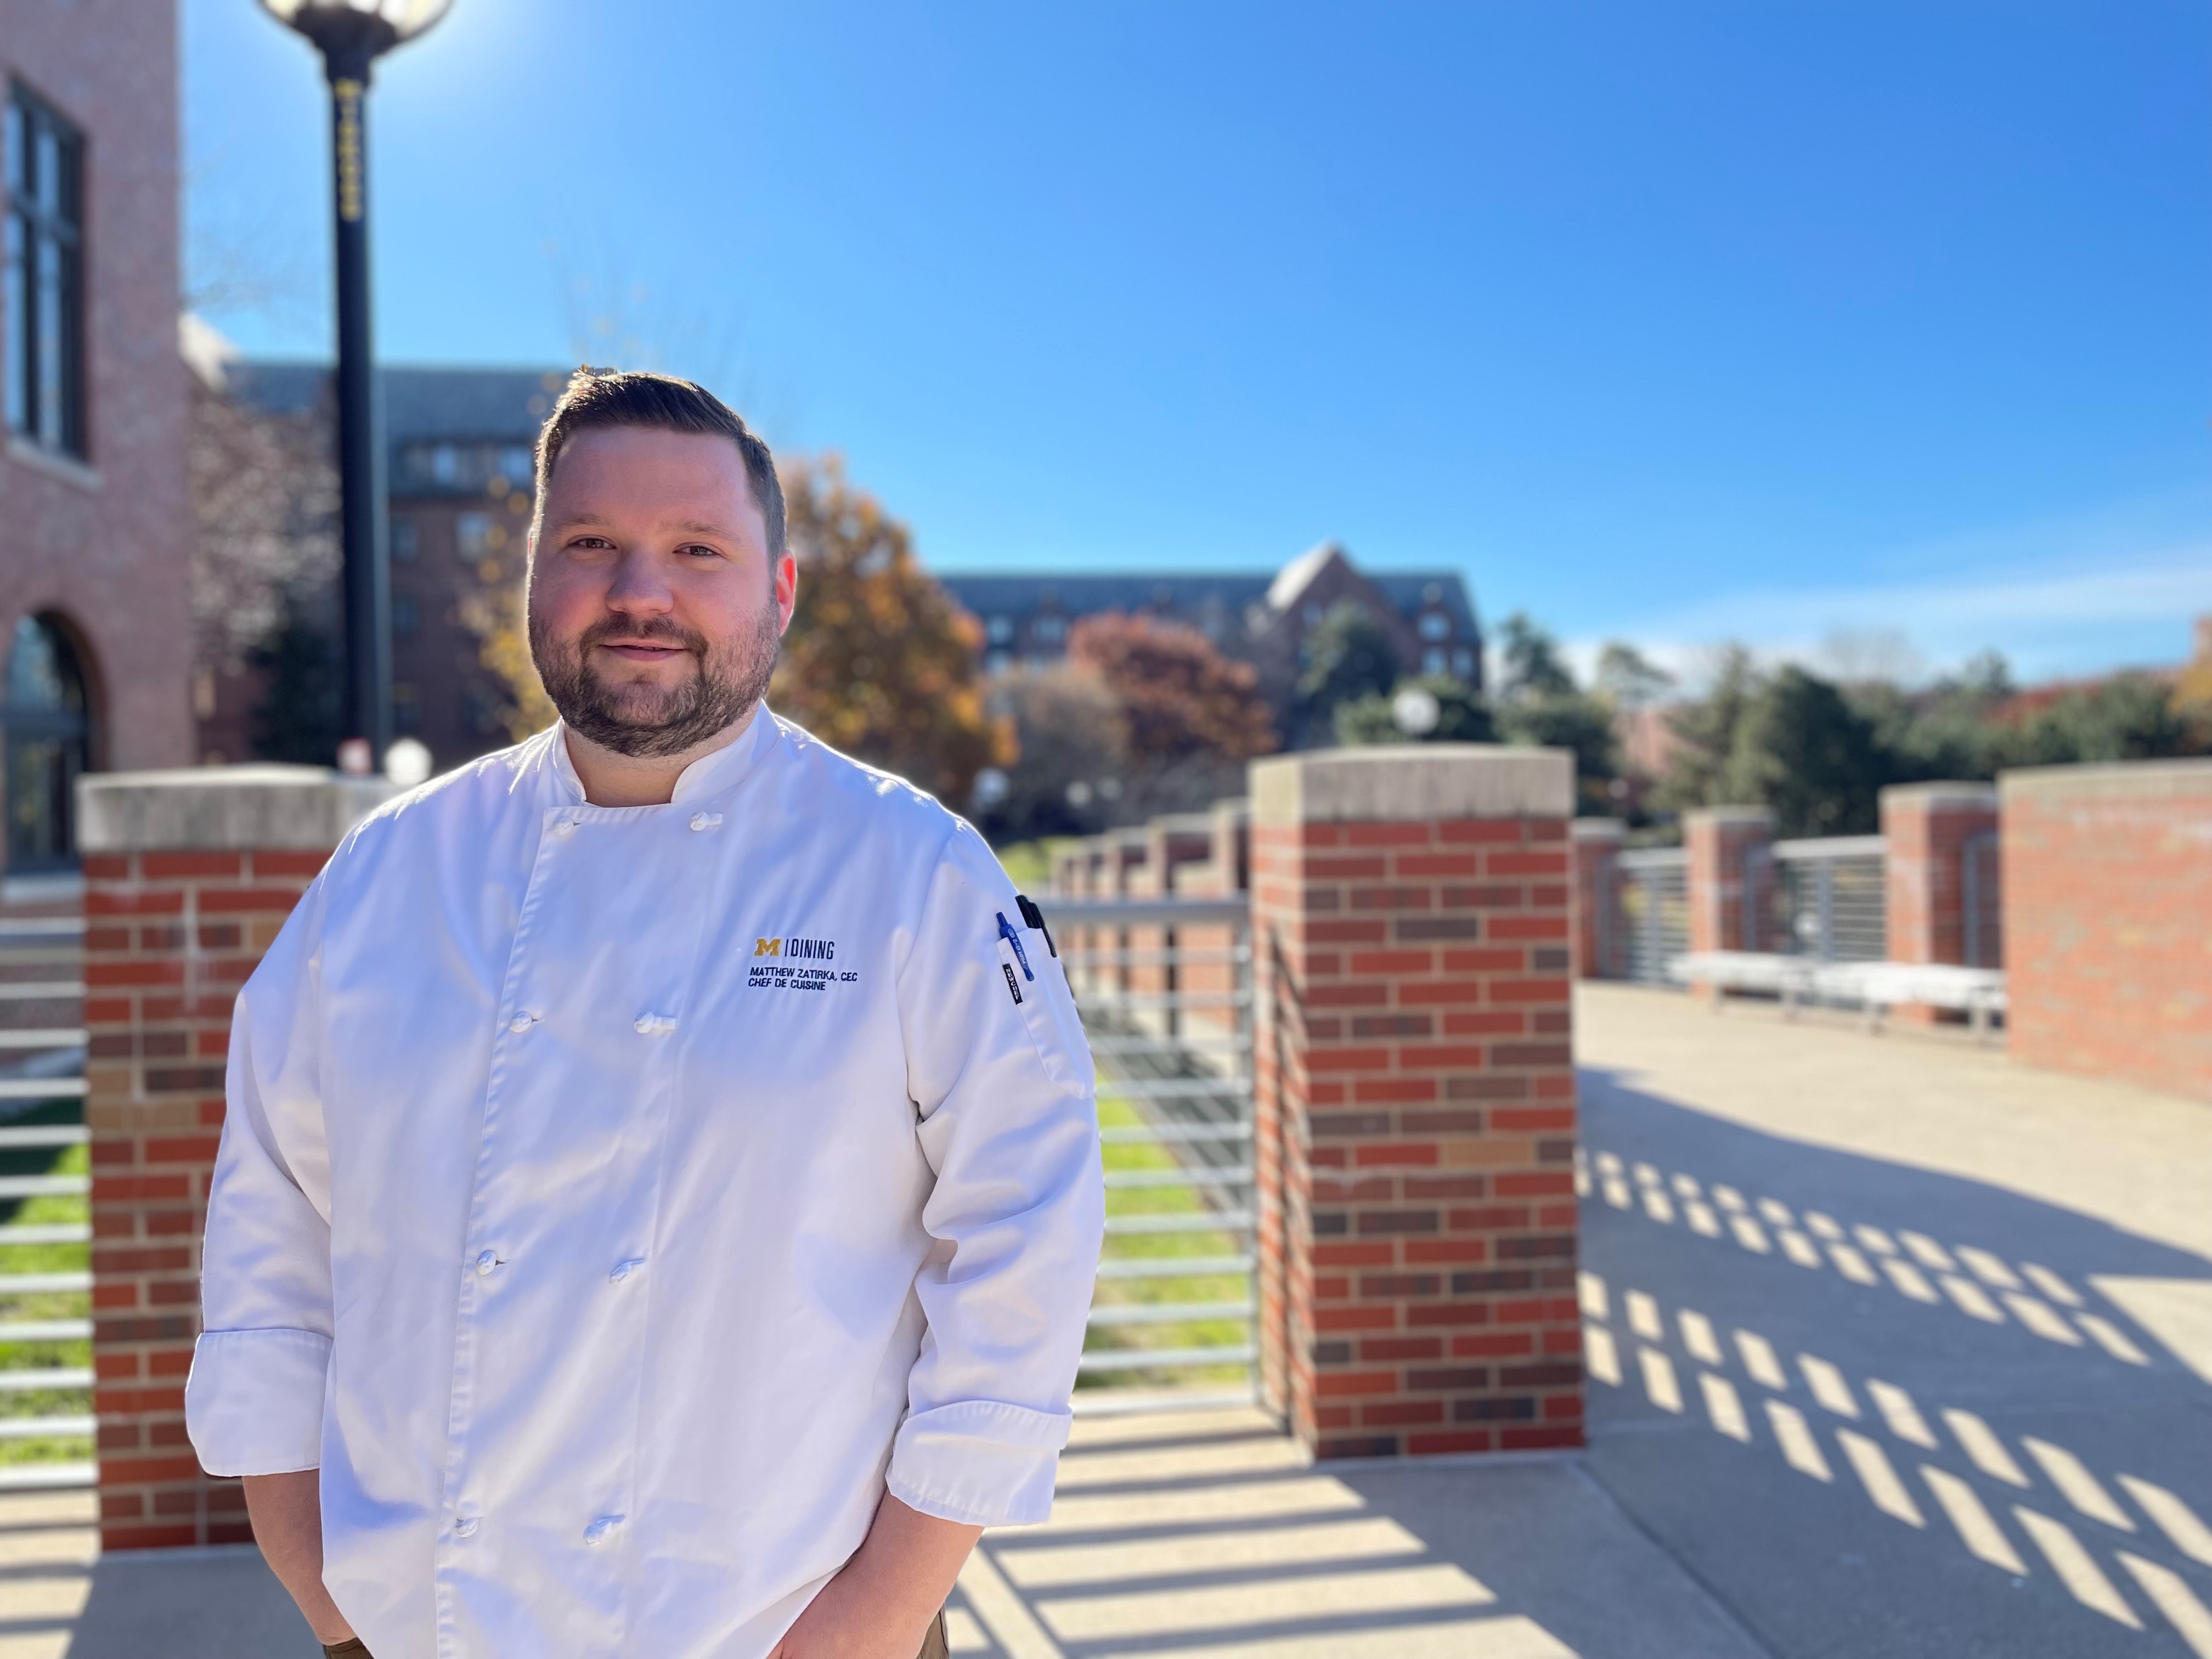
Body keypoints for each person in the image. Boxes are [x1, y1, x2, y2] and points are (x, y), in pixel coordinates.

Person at [185, 370, 1105, 1659]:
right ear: (532, 578)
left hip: (792, 1631)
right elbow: (267, 1235)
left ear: (778, 592)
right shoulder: (387, 878)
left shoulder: (912, 871)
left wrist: (878, 1622)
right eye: (592, 545)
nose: (640, 593)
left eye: (697, 550)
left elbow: (1031, 1239)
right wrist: (329, 1602)